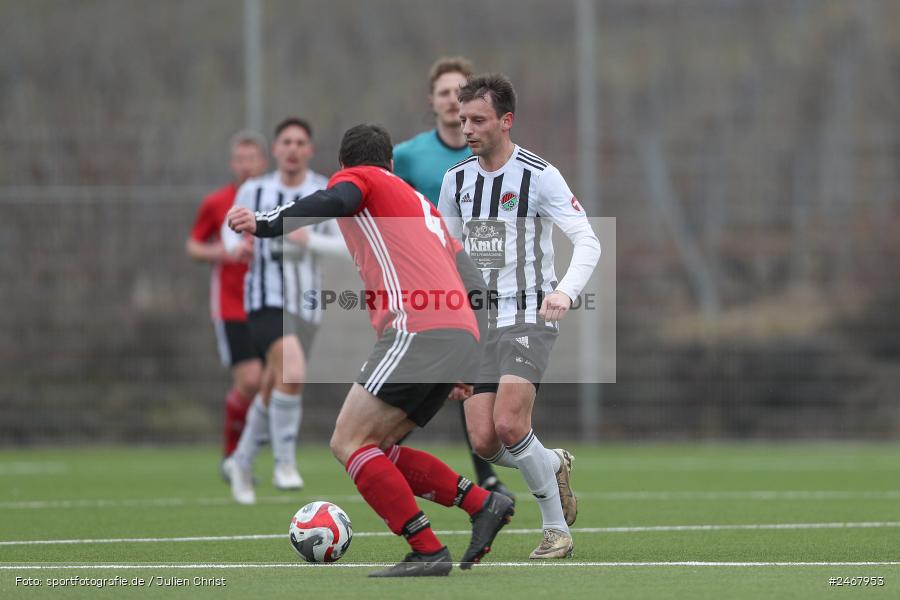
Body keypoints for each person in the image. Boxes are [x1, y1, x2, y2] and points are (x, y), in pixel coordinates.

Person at [226, 124, 515, 577]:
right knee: (380, 445)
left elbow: (334, 201)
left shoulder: (359, 180)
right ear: (393, 163)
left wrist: (265, 224)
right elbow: (475, 283)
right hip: (456, 331)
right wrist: (469, 356)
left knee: (349, 442)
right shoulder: (422, 206)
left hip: (416, 327)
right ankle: (482, 503)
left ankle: (426, 550)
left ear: (345, 166)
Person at [437, 74, 601, 559]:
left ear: (506, 121)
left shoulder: (539, 175)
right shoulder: (456, 181)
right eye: (463, 119)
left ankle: (556, 531)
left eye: (478, 120)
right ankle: (551, 462)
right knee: (485, 442)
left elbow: (587, 239)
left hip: (530, 314)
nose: (468, 128)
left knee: (510, 425)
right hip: (478, 323)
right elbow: (445, 258)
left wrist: (566, 293)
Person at [394, 57, 513, 501]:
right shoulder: (407, 155)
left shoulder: (486, 147)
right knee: (420, 374)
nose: (451, 100)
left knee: (472, 379)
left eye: (459, 91)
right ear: (433, 101)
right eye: (444, 92)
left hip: (475, 279)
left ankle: (487, 477)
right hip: (423, 283)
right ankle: (381, 455)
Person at [221, 117, 345, 504]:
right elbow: (230, 230)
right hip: (264, 300)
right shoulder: (255, 189)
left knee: (275, 381)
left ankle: (240, 461)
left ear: (310, 149)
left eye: (300, 142)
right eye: (286, 141)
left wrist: (310, 242)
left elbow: (344, 246)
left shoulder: (323, 190)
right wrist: (235, 247)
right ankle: (284, 462)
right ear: (275, 150)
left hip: (306, 304)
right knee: (292, 371)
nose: (292, 148)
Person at [186, 131, 268, 472]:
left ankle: (246, 449)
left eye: (252, 158)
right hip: (232, 305)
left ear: (263, 161)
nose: (246, 165)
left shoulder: (275, 197)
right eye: (240, 159)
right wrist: (218, 252)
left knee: (270, 381)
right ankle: (233, 453)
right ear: (232, 164)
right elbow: (193, 246)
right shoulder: (217, 203)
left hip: (269, 302)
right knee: (250, 380)